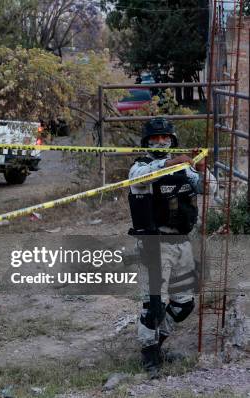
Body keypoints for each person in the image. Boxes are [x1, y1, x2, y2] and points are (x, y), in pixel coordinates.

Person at [128, 117, 216, 378]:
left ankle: (157, 343)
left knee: (183, 305)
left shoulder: (184, 168)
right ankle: (150, 357)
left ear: (172, 140)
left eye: (164, 138)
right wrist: (169, 163)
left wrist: (203, 169)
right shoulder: (139, 168)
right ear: (146, 142)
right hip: (154, 244)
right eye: (154, 139)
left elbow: (211, 190)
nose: (160, 142)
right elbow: (142, 178)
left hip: (182, 243)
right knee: (153, 304)